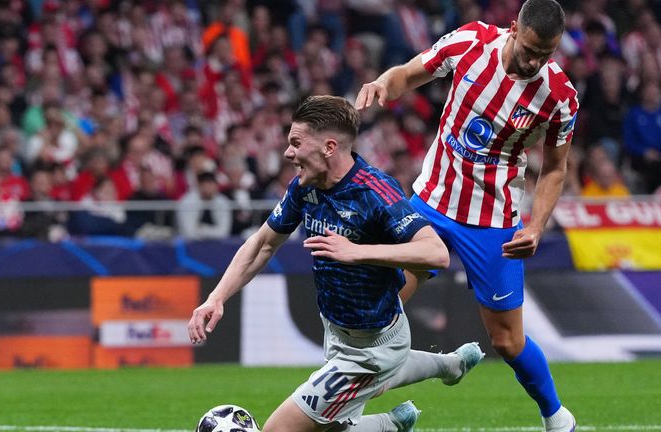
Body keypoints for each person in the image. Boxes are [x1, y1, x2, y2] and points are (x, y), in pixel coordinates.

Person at [188, 96, 484, 432]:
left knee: (279, 431)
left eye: (296, 143)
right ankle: (450, 367)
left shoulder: (374, 191)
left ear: (329, 147)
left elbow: (436, 253)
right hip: (338, 331)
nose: (288, 153)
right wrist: (217, 297)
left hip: (372, 347)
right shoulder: (305, 187)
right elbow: (262, 244)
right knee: (327, 424)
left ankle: (391, 423)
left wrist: (358, 251)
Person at [355, 1, 578, 431]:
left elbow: (555, 168)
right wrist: (384, 83)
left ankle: (557, 417)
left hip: (494, 222)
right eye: (530, 49)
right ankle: (355, 408)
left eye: (545, 54)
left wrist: (536, 225)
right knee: (378, 309)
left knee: (507, 340)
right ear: (513, 28)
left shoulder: (559, 96)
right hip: (431, 204)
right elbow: (408, 74)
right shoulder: (471, 41)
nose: (534, 62)